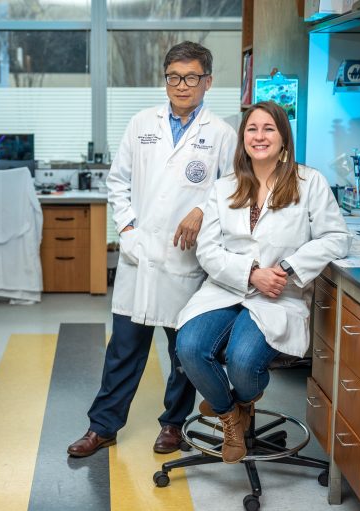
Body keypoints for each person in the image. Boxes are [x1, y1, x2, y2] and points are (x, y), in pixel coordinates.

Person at [67, 41, 238, 457]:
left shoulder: (221, 134)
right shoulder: (142, 123)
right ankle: (102, 427)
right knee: (123, 348)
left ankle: (173, 424)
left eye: (192, 77)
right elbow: (117, 182)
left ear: (208, 81)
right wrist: (127, 229)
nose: (182, 85)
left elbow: (233, 190)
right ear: (165, 80)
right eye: (174, 77)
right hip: (140, 256)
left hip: (186, 260)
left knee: (183, 353)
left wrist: (201, 210)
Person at [175, 101, 352, 464]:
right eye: (252, 129)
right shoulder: (224, 187)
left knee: (242, 361)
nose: (259, 136)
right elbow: (208, 250)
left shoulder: (309, 182)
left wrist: (287, 267)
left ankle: (240, 402)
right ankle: (230, 415)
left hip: (277, 294)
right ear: (243, 138)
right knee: (189, 346)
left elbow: (336, 237)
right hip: (226, 289)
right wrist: (251, 272)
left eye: (269, 128)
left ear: (283, 137)